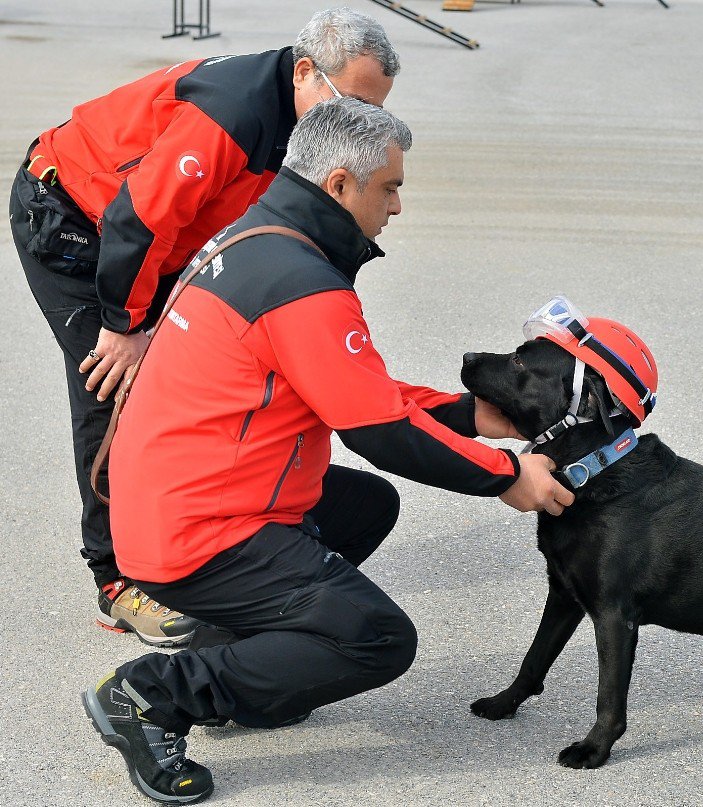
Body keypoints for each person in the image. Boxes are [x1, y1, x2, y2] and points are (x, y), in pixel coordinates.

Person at [82, 98, 574, 804]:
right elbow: (376, 431)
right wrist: (507, 475)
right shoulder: (303, 283)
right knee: (375, 637)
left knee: (365, 506)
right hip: (195, 531)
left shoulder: (258, 238)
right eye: (391, 187)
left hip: (164, 498)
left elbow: (352, 388)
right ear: (341, 184)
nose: (398, 205)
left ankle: (231, 658)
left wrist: (471, 414)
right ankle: (153, 693)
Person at [9, 8, 399, 646]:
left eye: (374, 110)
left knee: (195, 377)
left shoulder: (313, 127)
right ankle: (119, 580)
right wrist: (124, 324)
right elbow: (139, 219)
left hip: (160, 238)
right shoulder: (233, 113)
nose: (358, 123)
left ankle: (209, 533)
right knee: (113, 388)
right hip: (80, 222)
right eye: (351, 101)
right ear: (305, 72)